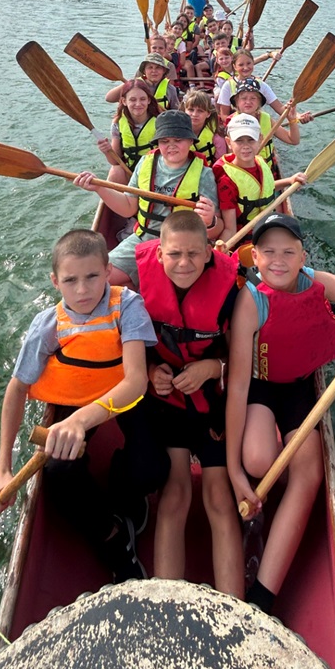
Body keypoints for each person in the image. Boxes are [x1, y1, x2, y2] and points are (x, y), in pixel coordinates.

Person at [225, 214, 335, 614]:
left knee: (308, 473)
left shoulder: (315, 280)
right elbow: (237, 386)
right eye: (268, 252)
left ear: (302, 255)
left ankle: (263, 595)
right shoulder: (250, 301)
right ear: (254, 257)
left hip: (297, 388)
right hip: (258, 385)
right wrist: (234, 470)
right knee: (257, 459)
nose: (279, 260)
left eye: (288, 251)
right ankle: (264, 468)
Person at [0, 229, 158, 583]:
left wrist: (80, 421)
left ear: (108, 272)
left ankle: (123, 486)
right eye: (70, 280)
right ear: (55, 281)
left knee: (153, 468)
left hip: (121, 398)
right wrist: (3, 469)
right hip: (75, 399)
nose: (83, 290)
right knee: (59, 475)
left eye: (93, 276)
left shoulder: (127, 305)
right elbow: (17, 389)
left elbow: (136, 381)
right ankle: (113, 538)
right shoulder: (47, 326)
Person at [133, 211, 244, 596]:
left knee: (219, 497)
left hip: (214, 402)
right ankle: (168, 606)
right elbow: (134, 351)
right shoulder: (138, 289)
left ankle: (236, 612)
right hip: (170, 402)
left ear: (210, 253)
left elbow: (242, 361)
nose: (184, 264)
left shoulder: (232, 292)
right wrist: (151, 373)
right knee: (175, 493)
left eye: (194, 255)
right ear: (159, 254)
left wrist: (213, 367)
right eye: (175, 255)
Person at [74, 109, 221, 288]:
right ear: (158, 142)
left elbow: (217, 228)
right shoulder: (145, 163)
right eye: (165, 141)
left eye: (178, 140)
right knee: (97, 278)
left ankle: (138, 284)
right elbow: (128, 208)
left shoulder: (204, 174)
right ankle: (134, 284)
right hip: (142, 238)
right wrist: (99, 188)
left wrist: (209, 220)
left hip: (182, 247)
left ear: (191, 141)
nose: (171, 145)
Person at [213, 113, 307, 242]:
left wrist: (290, 180)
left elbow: (265, 188)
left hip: (267, 227)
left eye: (251, 139)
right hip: (247, 240)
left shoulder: (260, 162)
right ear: (229, 142)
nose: (245, 146)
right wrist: (219, 253)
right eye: (239, 140)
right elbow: (230, 229)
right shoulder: (226, 181)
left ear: (260, 139)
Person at [228, 77, 302, 178]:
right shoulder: (233, 122)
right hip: (244, 175)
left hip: (267, 171)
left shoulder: (266, 118)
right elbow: (229, 155)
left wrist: (292, 120)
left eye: (253, 98)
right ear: (237, 102)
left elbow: (293, 140)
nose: (248, 102)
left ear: (259, 102)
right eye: (244, 98)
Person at [101, 79, 160, 184]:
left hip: (156, 173)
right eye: (132, 100)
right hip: (130, 172)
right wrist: (107, 151)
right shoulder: (118, 123)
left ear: (149, 100)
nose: (138, 104)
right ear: (124, 101)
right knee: (116, 171)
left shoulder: (160, 123)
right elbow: (115, 161)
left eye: (142, 99)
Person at [105, 54, 180, 111]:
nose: (154, 71)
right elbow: (109, 98)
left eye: (158, 67)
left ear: (163, 71)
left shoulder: (170, 89)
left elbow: (176, 111)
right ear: (144, 71)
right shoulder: (134, 85)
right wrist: (129, 84)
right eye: (150, 67)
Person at [181, 88, 227, 166]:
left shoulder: (217, 136)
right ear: (184, 110)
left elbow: (220, 163)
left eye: (200, 111)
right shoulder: (177, 134)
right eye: (191, 110)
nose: (195, 114)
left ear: (208, 113)